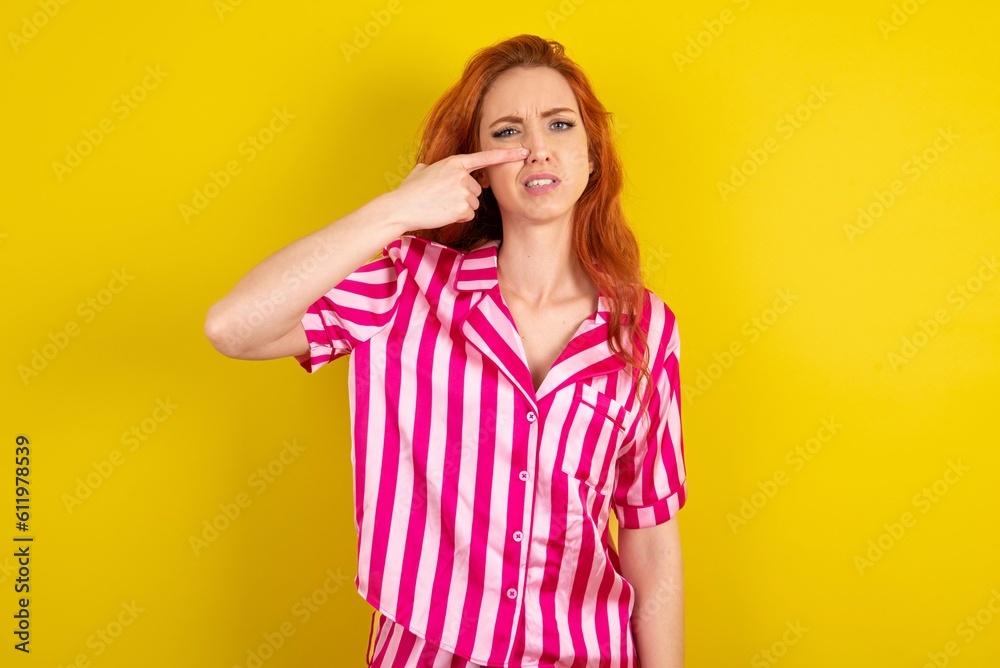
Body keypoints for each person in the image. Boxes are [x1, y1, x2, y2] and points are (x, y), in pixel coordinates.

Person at [205, 34, 686, 668]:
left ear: (591, 156)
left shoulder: (644, 328)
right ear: (476, 168)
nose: (537, 148)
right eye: (508, 132)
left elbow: (650, 533)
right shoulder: (406, 286)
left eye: (559, 124)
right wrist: (395, 211)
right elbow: (233, 327)